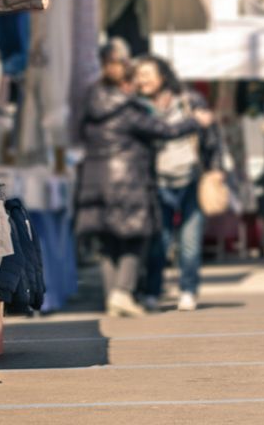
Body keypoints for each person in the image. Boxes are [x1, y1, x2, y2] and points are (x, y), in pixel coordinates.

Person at [75, 53, 213, 317]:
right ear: (125, 85)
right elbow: (166, 131)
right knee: (135, 239)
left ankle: (112, 297)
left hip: (94, 182)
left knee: (108, 243)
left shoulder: (92, 107)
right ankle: (122, 292)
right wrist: (196, 121)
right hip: (126, 182)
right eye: (134, 82)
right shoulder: (126, 110)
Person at [135, 56, 222, 313]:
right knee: (158, 243)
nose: (143, 79)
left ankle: (188, 290)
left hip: (191, 179)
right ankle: (152, 292)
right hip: (157, 182)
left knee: (190, 242)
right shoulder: (138, 106)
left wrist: (216, 168)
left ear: (163, 76)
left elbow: (211, 135)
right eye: (139, 74)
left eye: (148, 73)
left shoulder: (189, 101)